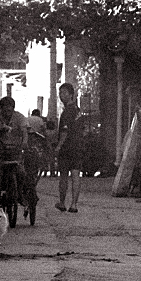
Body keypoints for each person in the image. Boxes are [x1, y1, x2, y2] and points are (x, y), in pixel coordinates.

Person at [0, 96, 29, 200]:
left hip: (15, 152)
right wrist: (0, 131)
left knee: (21, 172)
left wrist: (24, 143)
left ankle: (19, 193)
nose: (7, 112)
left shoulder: (19, 117)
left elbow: (24, 132)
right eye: (5, 110)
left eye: (10, 109)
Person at [55, 83, 83, 213]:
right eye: (60, 93)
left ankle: (61, 202)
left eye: (64, 93)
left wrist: (59, 146)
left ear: (71, 94)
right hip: (77, 146)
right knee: (76, 174)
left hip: (67, 148)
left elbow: (64, 131)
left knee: (64, 176)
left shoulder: (67, 112)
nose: (61, 96)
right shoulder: (78, 111)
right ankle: (74, 204)